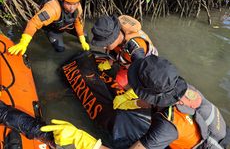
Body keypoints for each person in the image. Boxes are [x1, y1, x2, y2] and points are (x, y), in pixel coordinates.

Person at [41, 54, 229, 149]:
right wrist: (130, 103)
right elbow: (149, 103)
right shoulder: (181, 88)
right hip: (215, 133)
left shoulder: (166, 125)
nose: (131, 92)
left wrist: (85, 141)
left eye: (135, 91)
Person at [91, 15, 158, 89]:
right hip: (125, 53)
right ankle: (118, 62)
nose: (103, 47)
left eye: (106, 44)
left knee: (118, 84)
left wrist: (131, 94)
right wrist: (109, 62)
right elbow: (113, 50)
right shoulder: (116, 36)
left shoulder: (136, 50)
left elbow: (143, 74)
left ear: (115, 37)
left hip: (142, 62)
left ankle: (126, 69)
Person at [8, 0, 89, 54]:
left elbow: (77, 23)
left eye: (75, 4)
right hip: (54, 29)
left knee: (85, 37)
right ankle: (49, 34)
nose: (72, 8)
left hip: (67, 26)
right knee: (60, 49)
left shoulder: (77, 7)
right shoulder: (52, 8)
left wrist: (82, 40)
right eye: (69, 3)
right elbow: (33, 23)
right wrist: (23, 43)